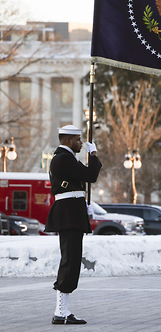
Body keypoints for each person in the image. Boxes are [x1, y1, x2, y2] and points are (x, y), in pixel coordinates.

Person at [45, 125, 102, 325]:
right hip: (69, 213)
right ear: (68, 140)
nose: (80, 143)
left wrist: (82, 203)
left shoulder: (66, 158)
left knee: (72, 259)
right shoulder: (63, 158)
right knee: (70, 260)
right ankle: (60, 312)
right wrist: (93, 155)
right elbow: (91, 176)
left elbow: (81, 180)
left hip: (72, 211)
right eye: (78, 139)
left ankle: (62, 311)